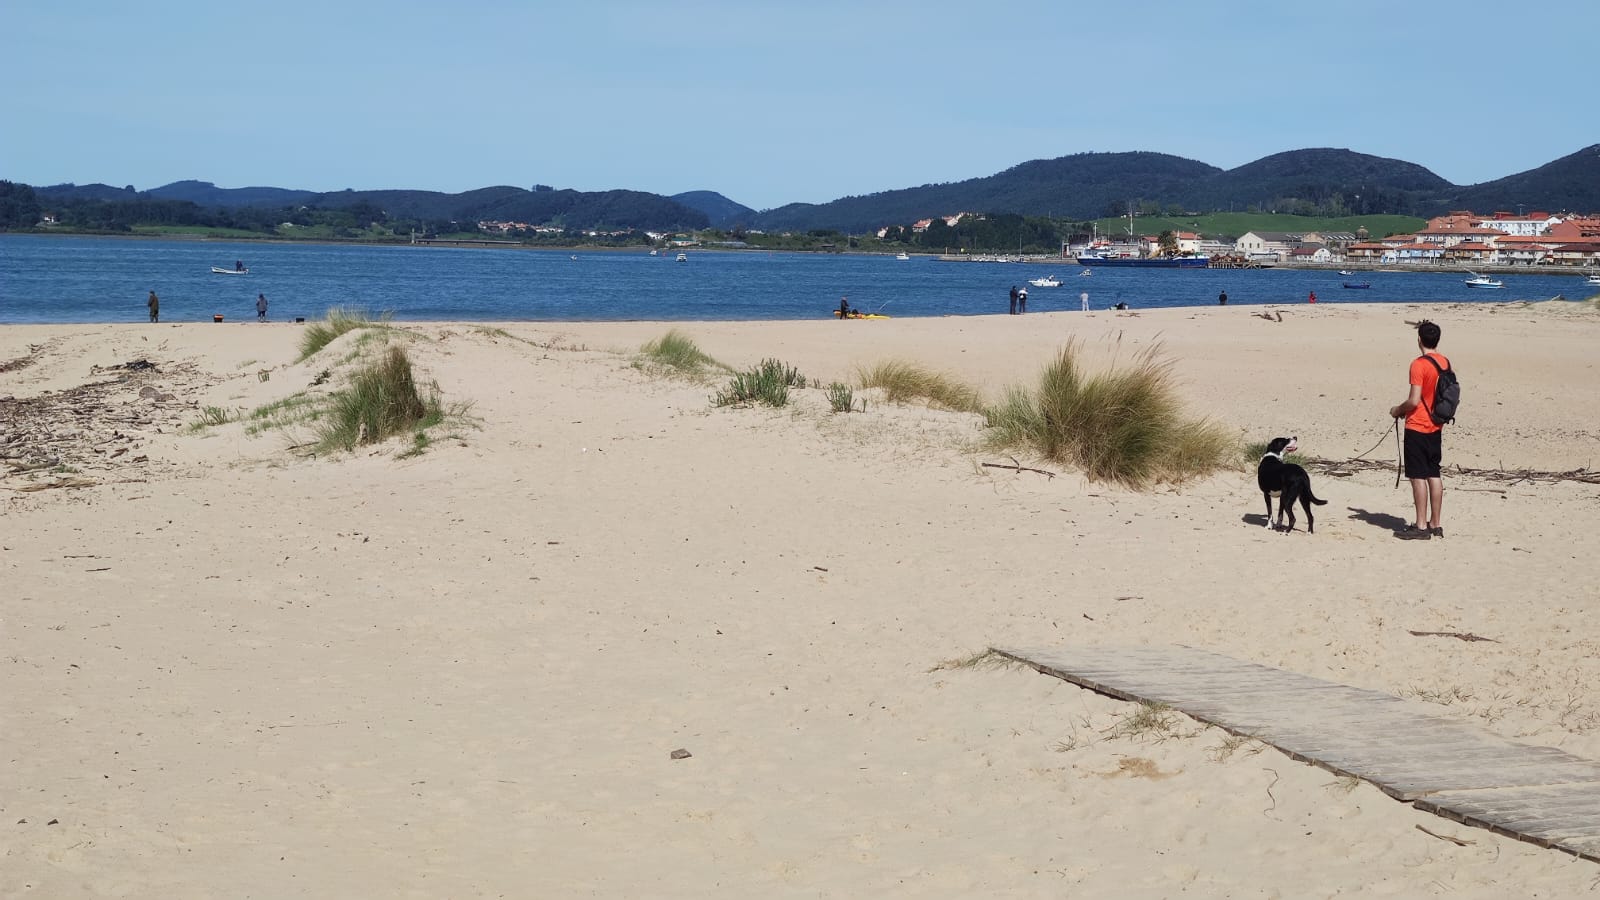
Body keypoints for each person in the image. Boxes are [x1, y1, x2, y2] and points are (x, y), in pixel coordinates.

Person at [1389, 320, 1449, 540]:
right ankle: (1435, 523)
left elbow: (1414, 401)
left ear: (1419, 340)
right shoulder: (1444, 362)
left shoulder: (1419, 364)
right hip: (1436, 424)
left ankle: (1421, 526)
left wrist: (1397, 410)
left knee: (1417, 476)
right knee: (1434, 473)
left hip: (1418, 426)